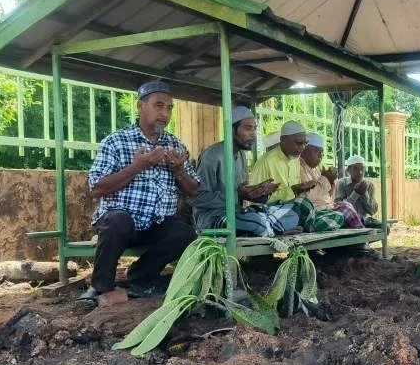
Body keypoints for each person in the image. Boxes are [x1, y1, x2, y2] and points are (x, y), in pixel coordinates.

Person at [78, 80, 200, 306]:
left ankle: (140, 278)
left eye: (169, 108)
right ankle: (100, 286)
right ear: (140, 106)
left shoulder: (176, 145)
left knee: (184, 233)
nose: (164, 113)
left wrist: (179, 170)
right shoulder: (116, 142)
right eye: (158, 105)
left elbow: (193, 190)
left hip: (157, 224)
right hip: (123, 222)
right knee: (116, 220)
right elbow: (96, 188)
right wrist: (137, 167)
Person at [191, 106, 305, 238]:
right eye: (248, 128)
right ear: (232, 130)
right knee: (255, 222)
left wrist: (258, 193)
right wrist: (237, 195)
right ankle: (274, 229)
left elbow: (243, 194)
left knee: (294, 210)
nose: (253, 134)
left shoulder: (241, 156)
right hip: (213, 219)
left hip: (238, 214)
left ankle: (269, 228)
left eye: (255, 128)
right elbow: (196, 198)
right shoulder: (212, 156)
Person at [298, 133, 365, 231]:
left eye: (322, 152)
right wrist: (326, 178)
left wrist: (331, 181)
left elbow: (329, 195)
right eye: (317, 151)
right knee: (340, 216)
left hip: (326, 207)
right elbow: (309, 197)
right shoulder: (299, 168)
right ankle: (361, 235)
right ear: (305, 151)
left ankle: (361, 235)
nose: (321, 156)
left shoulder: (317, 168)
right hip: (314, 211)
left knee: (346, 206)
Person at [335, 155, 381, 227]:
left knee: (385, 227)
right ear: (348, 170)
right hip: (348, 221)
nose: (360, 172)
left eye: (362, 168)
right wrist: (355, 194)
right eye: (355, 169)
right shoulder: (341, 183)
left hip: (366, 221)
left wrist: (364, 193)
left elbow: (372, 211)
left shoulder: (370, 185)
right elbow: (339, 209)